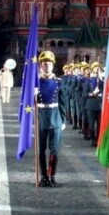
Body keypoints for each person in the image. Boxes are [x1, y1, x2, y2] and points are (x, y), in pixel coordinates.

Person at [36, 50, 66, 187]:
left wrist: (63, 120)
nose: (46, 66)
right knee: (41, 150)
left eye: (49, 63)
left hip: (55, 119)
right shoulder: (35, 83)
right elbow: (27, 103)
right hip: (41, 119)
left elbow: (63, 103)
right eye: (44, 63)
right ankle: (43, 177)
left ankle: (51, 176)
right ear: (40, 65)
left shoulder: (59, 82)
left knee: (54, 150)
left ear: (53, 65)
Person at [82, 61, 103, 148]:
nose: (97, 69)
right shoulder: (88, 81)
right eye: (95, 68)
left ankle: (98, 140)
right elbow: (84, 94)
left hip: (99, 105)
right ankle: (93, 139)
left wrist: (100, 93)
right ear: (92, 69)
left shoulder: (102, 81)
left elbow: (105, 92)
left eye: (98, 68)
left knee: (99, 124)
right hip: (90, 105)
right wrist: (93, 93)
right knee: (91, 124)